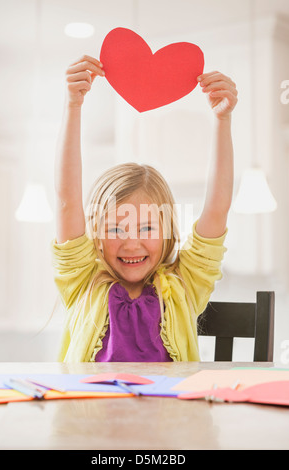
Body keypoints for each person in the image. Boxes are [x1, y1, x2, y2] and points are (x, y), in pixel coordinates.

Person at [52, 55, 238, 362]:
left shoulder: (185, 284)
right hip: (90, 411)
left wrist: (222, 120)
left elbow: (217, 210)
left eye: (147, 228)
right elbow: (66, 201)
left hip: (169, 411)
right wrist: (73, 106)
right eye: (115, 229)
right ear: (96, 234)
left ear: (167, 231)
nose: (132, 243)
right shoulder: (82, 282)